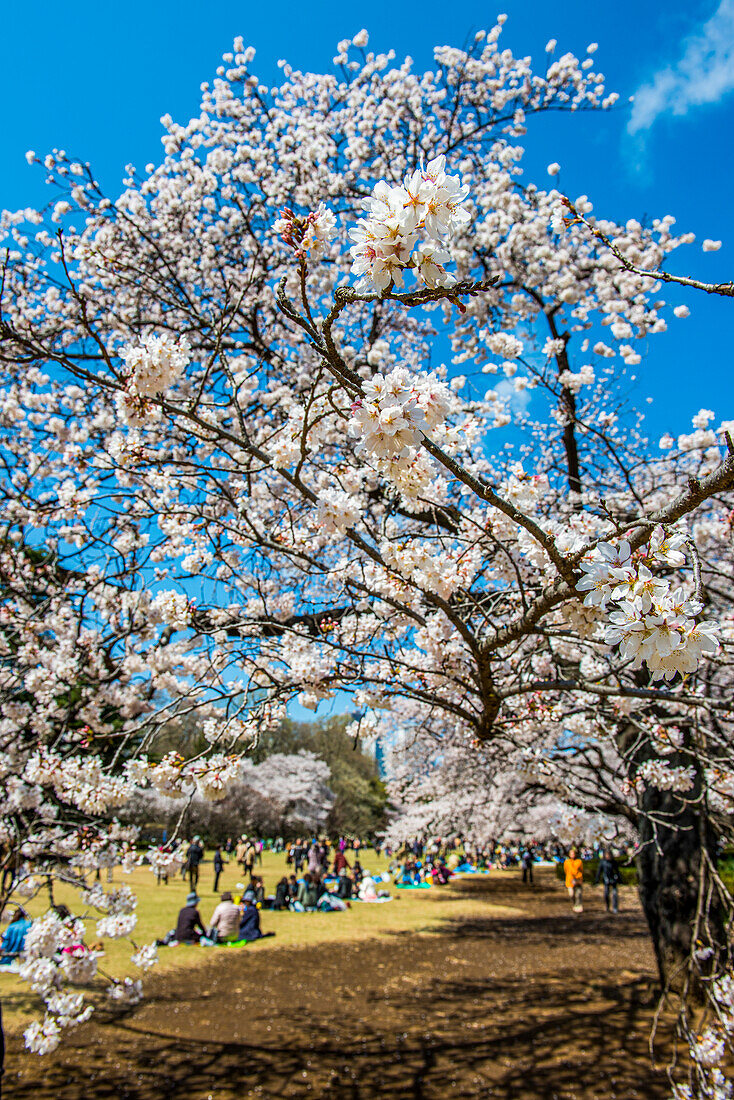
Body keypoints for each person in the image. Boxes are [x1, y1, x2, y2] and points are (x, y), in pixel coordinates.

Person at [595, 849, 621, 913]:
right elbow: (599, 871)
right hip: (606, 879)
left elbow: (617, 871)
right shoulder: (602, 862)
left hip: (613, 879)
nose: (608, 856)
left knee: (614, 894)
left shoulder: (613, 862)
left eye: (609, 855)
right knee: (606, 894)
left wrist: (619, 879)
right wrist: (597, 879)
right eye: (607, 855)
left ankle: (615, 908)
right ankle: (607, 906)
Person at [564, 847, 584, 913]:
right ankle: (574, 903)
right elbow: (566, 870)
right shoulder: (567, 862)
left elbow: (581, 870)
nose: (573, 855)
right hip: (569, 880)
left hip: (578, 880)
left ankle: (578, 905)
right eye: (571, 854)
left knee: (578, 894)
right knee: (571, 894)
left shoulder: (579, 861)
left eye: (573, 854)